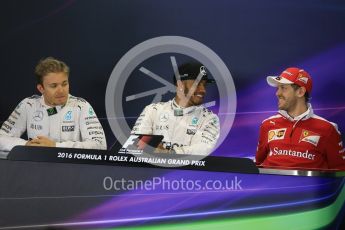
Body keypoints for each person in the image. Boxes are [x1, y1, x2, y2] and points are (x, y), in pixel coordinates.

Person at [0, 57, 107, 151]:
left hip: (72, 170)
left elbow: (100, 145)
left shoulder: (81, 106)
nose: (61, 91)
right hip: (36, 168)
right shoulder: (28, 105)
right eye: (54, 86)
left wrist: (56, 147)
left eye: (64, 84)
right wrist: (27, 145)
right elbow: (1, 138)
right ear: (41, 88)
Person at [255, 67, 345, 170]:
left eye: (283, 88)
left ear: (300, 92)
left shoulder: (327, 129)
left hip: (307, 186)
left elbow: (340, 173)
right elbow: (258, 166)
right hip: (270, 185)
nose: (277, 93)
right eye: (277, 88)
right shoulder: (267, 124)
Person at [131, 61, 220, 155]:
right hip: (148, 169)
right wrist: (151, 150)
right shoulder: (153, 110)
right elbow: (135, 146)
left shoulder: (210, 118)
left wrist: (170, 153)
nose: (203, 90)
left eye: (204, 85)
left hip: (184, 170)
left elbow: (202, 150)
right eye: (197, 84)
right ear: (180, 85)